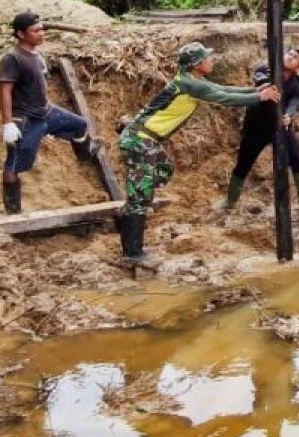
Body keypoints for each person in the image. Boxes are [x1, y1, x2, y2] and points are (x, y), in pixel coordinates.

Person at [118, 42, 280, 269]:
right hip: (140, 139)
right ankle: (132, 252)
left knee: (164, 170)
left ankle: (131, 210)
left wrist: (256, 91)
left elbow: (224, 90)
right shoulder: (189, 85)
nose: (211, 60)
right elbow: (224, 99)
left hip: (149, 140)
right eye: (207, 58)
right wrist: (259, 98)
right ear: (196, 64)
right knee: (140, 197)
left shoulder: (193, 82)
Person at [0, 12, 99, 214]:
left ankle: (85, 158)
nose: (41, 33)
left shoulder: (38, 55)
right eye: (35, 31)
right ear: (20, 34)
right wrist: (8, 123)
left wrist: (46, 105)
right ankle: (12, 211)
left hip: (46, 112)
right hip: (26, 118)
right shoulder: (13, 58)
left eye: (42, 29)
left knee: (79, 125)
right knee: (14, 163)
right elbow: (5, 90)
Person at [224, 48, 299, 215]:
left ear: (298, 67)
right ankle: (230, 201)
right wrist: (270, 86)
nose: (290, 56)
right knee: (243, 163)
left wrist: (289, 115)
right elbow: (261, 84)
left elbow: (295, 101)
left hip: (280, 128)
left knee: (297, 158)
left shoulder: (296, 85)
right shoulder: (264, 70)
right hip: (256, 126)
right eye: (289, 53)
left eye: (295, 57)